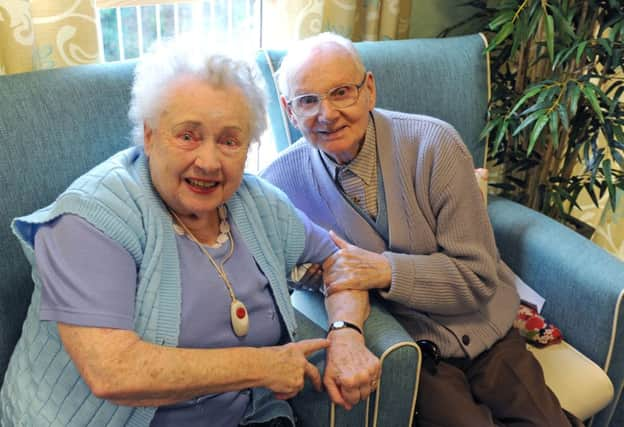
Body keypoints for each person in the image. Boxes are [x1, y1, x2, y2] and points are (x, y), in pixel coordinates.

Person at [0, 37, 380, 427]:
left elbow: (338, 261)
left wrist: (346, 335)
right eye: (188, 136)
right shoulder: (93, 217)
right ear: (149, 135)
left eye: (230, 141)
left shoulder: (257, 203)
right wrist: (261, 365)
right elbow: (113, 371)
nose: (209, 161)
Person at [261, 32, 581, 427]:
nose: (327, 114)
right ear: (289, 111)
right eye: (307, 101)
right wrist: (321, 274)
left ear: (369, 90)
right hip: (416, 349)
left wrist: (383, 270)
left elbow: (478, 276)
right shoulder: (277, 183)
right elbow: (283, 273)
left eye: (341, 92)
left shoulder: (435, 145)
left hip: (488, 332)